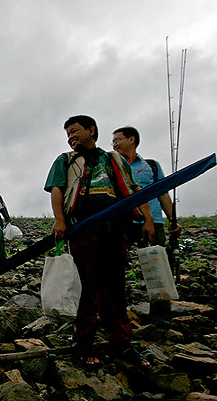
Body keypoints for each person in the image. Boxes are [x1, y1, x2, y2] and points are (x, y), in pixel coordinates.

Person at [44, 115, 153, 368]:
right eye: (68, 134)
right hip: (83, 231)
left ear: (91, 131)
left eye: (75, 131)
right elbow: (57, 189)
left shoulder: (113, 159)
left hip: (116, 231)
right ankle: (83, 342)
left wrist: (147, 220)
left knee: (115, 288)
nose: (71, 137)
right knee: (86, 289)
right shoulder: (66, 161)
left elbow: (135, 189)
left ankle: (121, 342)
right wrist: (59, 220)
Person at [111, 126, 180, 247]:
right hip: (122, 222)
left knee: (156, 260)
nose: (114, 145)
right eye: (113, 142)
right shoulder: (112, 167)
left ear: (131, 140)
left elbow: (162, 193)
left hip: (153, 221)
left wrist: (172, 220)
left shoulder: (151, 165)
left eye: (117, 140)